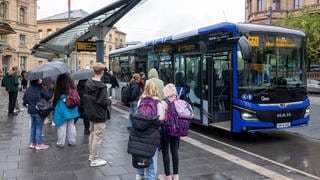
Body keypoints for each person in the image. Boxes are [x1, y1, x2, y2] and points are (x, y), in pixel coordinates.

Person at [128, 81, 165, 180]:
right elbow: (161, 119)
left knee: (139, 153)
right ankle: (150, 177)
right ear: (155, 89)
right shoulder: (158, 102)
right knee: (152, 156)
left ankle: (139, 175)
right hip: (152, 134)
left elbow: (137, 114)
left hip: (139, 132)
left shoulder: (141, 100)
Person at [83, 63, 110, 167]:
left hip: (91, 112)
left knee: (92, 134)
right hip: (99, 114)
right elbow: (102, 102)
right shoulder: (102, 87)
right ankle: (95, 159)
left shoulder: (88, 83)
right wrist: (109, 101)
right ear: (102, 72)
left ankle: (91, 155)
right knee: (98, 136)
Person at [158, 84, 181, 180]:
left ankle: (167, 175)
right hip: (176, 130)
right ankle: (176, 176)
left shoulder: (164, 102)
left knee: (165, 152)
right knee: (175, 151)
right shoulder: (178, 101)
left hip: (166, 130)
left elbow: (162, 118)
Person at [23, 79, 51, 150]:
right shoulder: (41, 88)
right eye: (39, 79)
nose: (41, 80)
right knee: (39, 127)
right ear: (37, 81)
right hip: (39, 110)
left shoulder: (29, 89)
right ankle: (39, 144)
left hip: (31, 111)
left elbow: (25, 100)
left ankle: (32, 143)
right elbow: (48, 96)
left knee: (33, 127)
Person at [52, 73, 79, 147]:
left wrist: (54, 108)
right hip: (72, 107)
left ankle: (61, 143)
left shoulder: (59, 87)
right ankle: (72, 141)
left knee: (62, 125)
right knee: (71, 125)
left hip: (62, 107)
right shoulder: (72, 86)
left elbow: (56, 99)